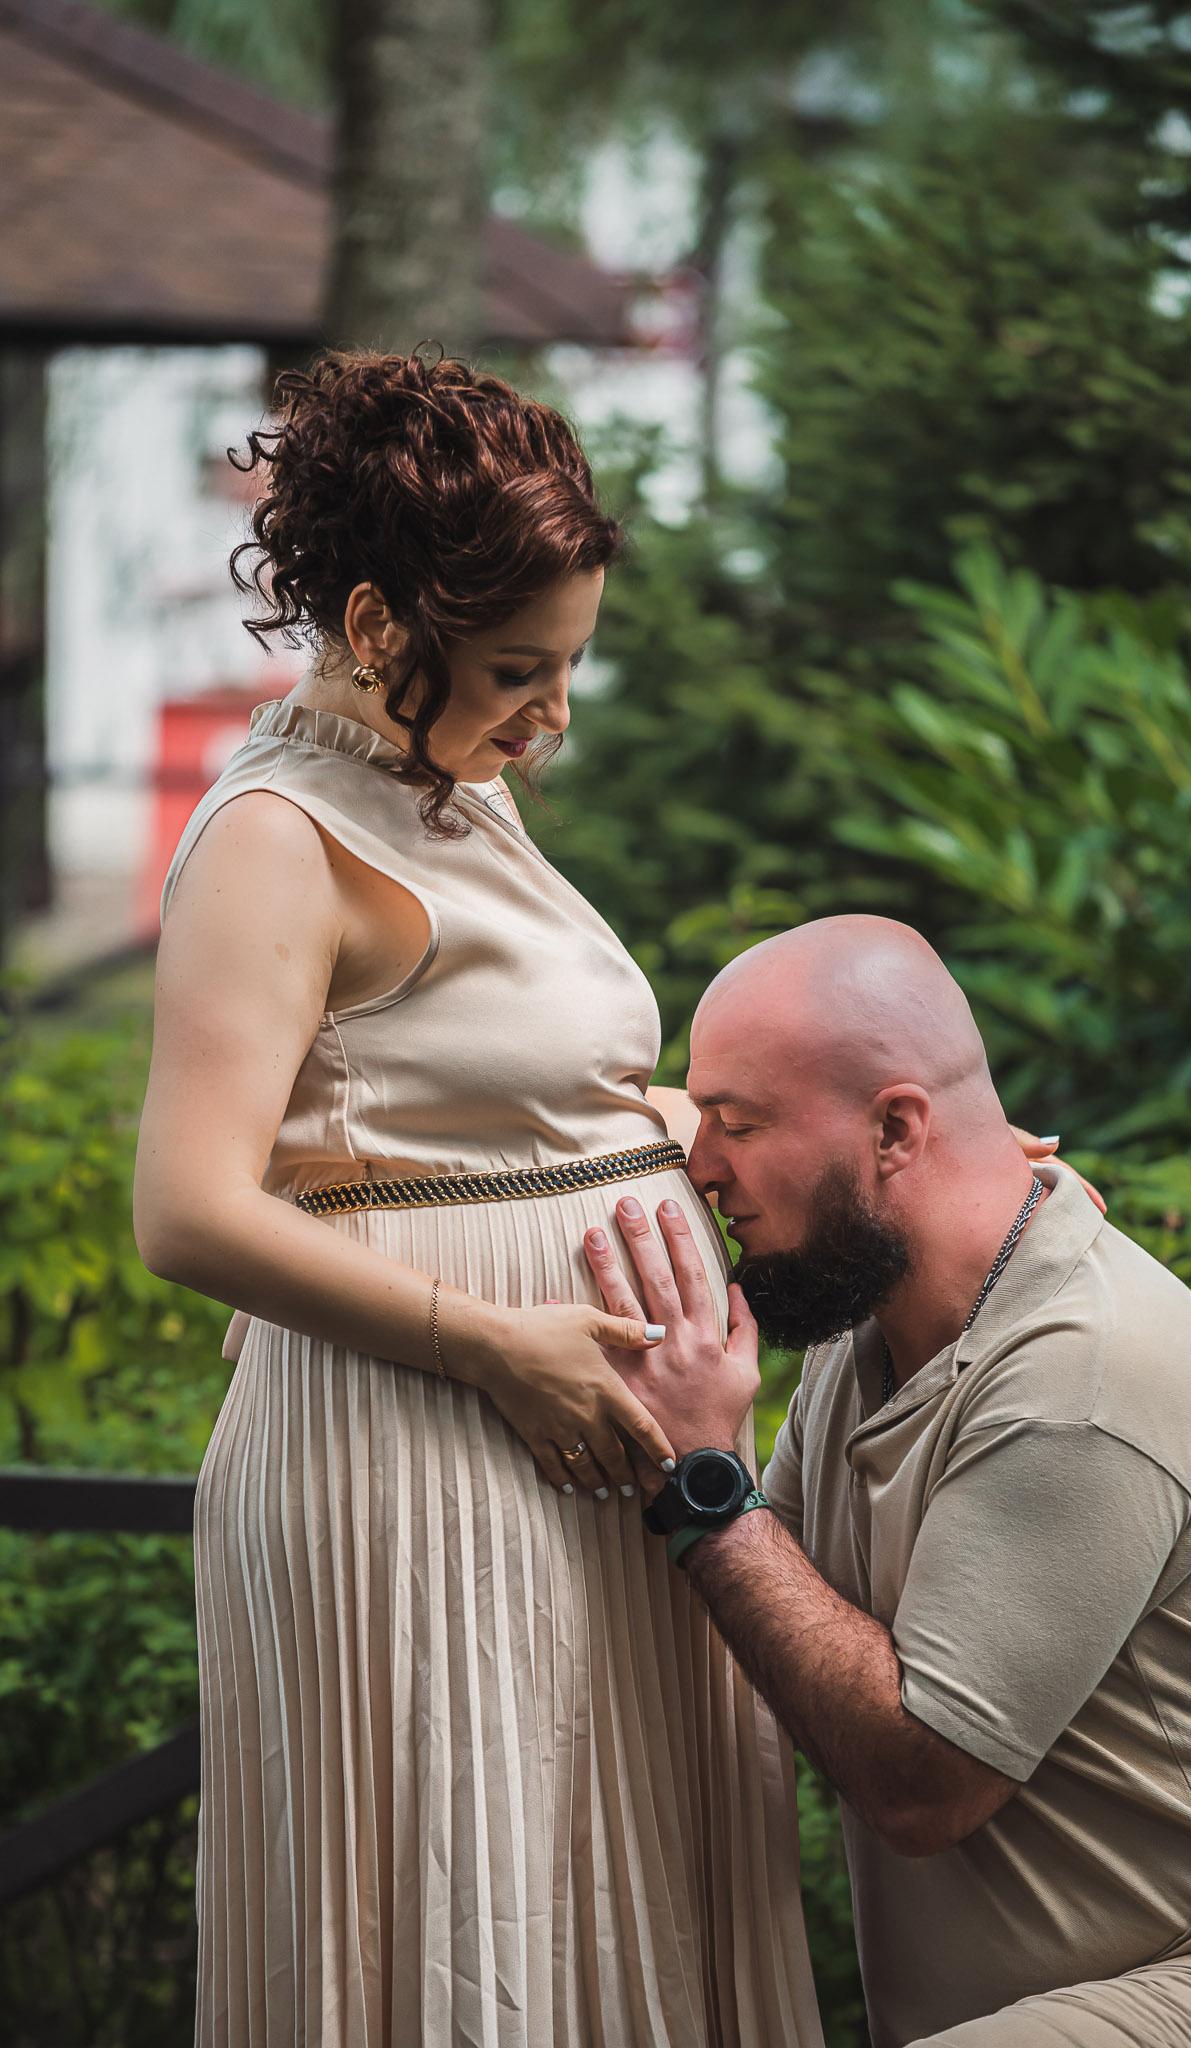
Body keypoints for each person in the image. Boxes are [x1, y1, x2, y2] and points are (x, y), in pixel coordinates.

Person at [134, 348, 826, 2046]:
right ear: (380, 626)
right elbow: (188, 1209)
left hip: (566, 1451)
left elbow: (489, 1098)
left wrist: (693, 1128)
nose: (554, 712)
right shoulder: (279, 837)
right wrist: (498, 1343)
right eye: (522, 668)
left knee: (598, 1915)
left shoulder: (452, 788)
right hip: (420, 1452)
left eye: (572, 662)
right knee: (468, 1920)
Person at [583, 915, 1191, 2048]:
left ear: (897, 1128)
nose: (701, 1165)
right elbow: (767, 1620)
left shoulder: (1078, 1375)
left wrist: (708, 1478)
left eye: (736, 1126)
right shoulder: (877, 1324)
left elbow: (920, 1784)